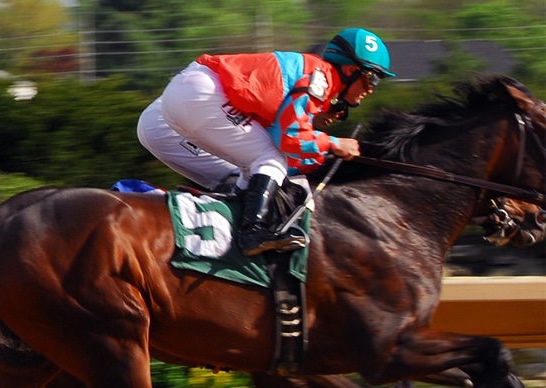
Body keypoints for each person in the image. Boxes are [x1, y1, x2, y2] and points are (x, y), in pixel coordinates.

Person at [137, 28, 395, 256]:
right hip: (197, 94)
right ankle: (253, 232)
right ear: (351, 70)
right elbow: (290, 138)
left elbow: (286, 139)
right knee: (270, 158)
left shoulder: (313, 72)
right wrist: (334, 143)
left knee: (255, 164)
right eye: (371, 78)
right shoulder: (320, 78)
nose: (371, 88)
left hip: (184, 94)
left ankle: (237, 220)